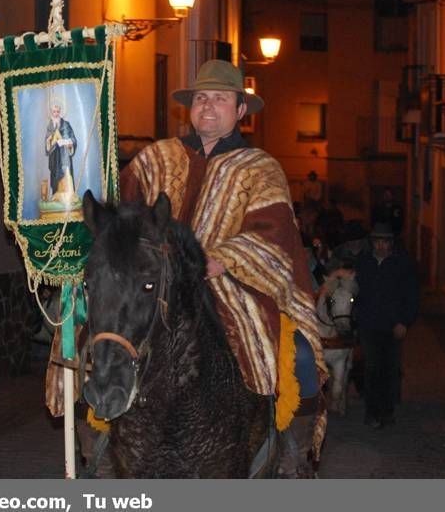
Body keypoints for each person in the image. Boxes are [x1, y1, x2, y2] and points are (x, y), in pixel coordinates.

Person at [120, 59, 327, 478]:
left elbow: (275, 234)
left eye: (220, 98)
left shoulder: (260, 168)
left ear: (240, 111)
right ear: (190, 108)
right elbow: (123, 215)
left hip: (235, 292)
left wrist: (224, 259)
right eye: (201, 98)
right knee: (98, 343)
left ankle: (292, 452)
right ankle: (101, 432)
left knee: (300, 358)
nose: (208, 107)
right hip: (155, 291)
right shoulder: (155, 160)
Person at [354, 222, 418, 429]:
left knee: (390, 369)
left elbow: (411, 295)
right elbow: (355, 292)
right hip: (369, 324)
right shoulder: (363, 263)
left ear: (391, 243)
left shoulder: (402, 264)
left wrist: (404, 321)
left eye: (384, 241)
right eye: (377, 241)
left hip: (393, 326)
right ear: (372, 242)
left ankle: (387, 410)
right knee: (372, 368)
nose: (380, 246)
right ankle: (372, 411)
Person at [44, 100, 78, 205]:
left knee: (66, 176)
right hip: (54, 158)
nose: (56, 114)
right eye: (54, 112)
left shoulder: (66, 125)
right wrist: (50, 140)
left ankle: (69, 197)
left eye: (58, 112)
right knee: (55, 177)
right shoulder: (49, 127)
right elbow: (47, 144)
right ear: (51, 113)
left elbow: (73, 139)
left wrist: (69, 143)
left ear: (60, 112)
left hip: (64, 157)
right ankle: (57, 197)